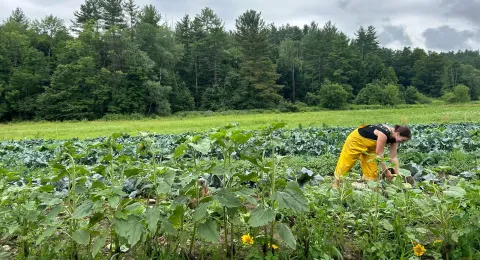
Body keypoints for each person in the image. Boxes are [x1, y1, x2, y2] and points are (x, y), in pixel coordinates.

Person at [333, 124, 411, 188]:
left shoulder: (395, 138)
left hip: (371, 146)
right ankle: (336, 185)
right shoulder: (384, 133)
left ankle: (372, 190)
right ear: (398, 134)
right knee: (346, 163)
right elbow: (379, 154)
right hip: (356, 140)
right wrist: (386, 171)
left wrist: (397, 174)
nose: (403, 142)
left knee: (373, 170)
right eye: (403, 140)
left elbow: (393, 157)